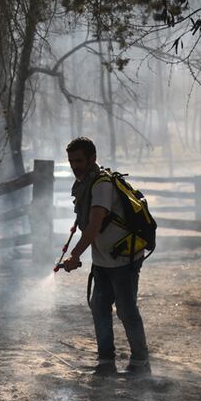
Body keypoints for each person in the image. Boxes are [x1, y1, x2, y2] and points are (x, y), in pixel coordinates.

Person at [59, 137, 150, 376]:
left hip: (123, 260)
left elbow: (94, 225)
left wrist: (74, 255)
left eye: (79, 160)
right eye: (71, 161)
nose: (74, 166)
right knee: (99, 307)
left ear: (93, 159)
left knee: (126, 310)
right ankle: (106, 362)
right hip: (103, 260)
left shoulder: (101, 185)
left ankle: (141, 363)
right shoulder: (86, 184)